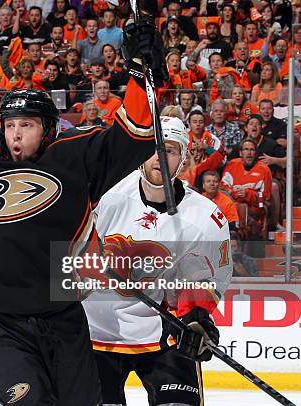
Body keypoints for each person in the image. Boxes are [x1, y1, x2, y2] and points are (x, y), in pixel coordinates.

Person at [0, 13, 166, 405]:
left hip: (64, 317)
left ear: (50, 128)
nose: (16, 134)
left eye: (28, 125)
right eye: (11, 124)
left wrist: (141, 74)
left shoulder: (77, 157)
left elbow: (135, 135)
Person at [83, 116, 232, 406]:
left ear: (184, 158)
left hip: (165, 331)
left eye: (170, 150)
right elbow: (72, 246)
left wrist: (196, 315)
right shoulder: (106, 195)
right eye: (153, 149)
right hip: (97, 331)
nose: (159, 158)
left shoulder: (204, 217)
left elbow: (202, 277)